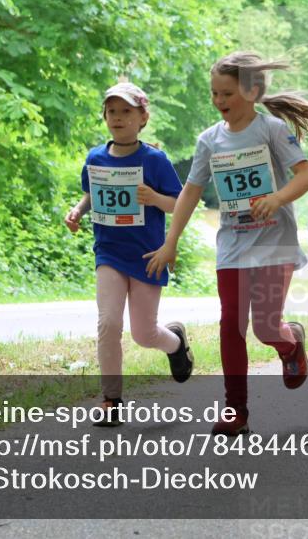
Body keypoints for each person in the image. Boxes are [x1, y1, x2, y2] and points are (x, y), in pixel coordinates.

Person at [144, 51, 308, 435]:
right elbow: (191, 193)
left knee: (266, 328)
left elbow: (306, 177)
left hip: (275, 241)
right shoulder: (209, 140)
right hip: (233, 245)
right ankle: (235, 410)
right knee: (231, 325)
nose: (219, 101)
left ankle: (290, 344)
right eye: (214, 94)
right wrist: (170, 241)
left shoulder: (272, 130)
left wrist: (277, 198)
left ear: (252, 91)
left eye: (226, 93)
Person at [64, 83, 192, 426]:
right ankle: (111, 399)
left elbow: (180, 203)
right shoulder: (96, 158)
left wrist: (153, 198)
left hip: (148, 254)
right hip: (109, 252)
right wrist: (77, 211)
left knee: (144, 333)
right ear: (104, 117)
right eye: (112, 112)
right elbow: (92, 192)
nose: (118, 118)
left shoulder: (155, 160)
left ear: (142, 118)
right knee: (108, 323)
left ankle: (176, 344)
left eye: (126, 112)